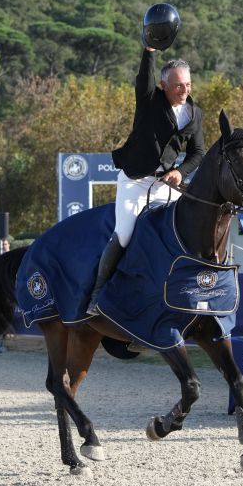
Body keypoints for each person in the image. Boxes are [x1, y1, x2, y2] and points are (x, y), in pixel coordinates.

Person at [87, 36, 205, 314]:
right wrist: (149, 50)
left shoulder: (194, 112)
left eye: (187, 84)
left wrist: (180, 171)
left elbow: (198, 153)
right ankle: (97, 294)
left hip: (165, 183)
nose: (184, 90)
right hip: (136, 180)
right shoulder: (150, 100)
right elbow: (144, 78)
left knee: (183, 230)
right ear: (164, 86)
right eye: (178, 85)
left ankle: (184, 290)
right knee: (125, 234)